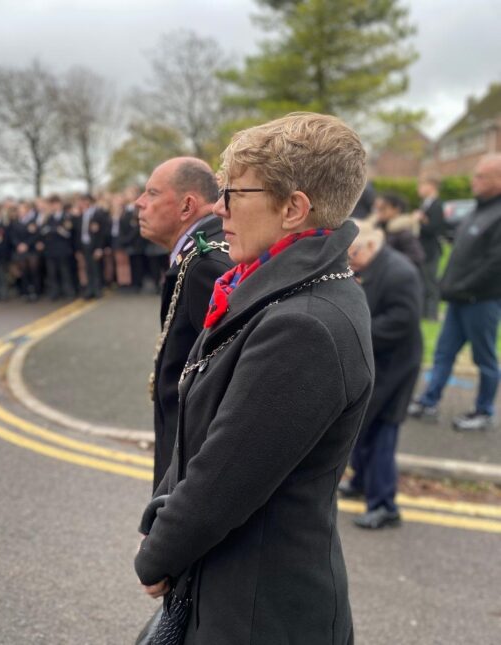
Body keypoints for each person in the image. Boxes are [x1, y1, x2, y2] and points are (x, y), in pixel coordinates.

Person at [135, 113, 373, 645]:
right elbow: (200, 429)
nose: (218, 208)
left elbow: (224, 477)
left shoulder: (304, 324)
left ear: (294, 208)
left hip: (261, 611)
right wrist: (163, 515)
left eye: (234, 193)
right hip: (229, 582)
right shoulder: (268, 289)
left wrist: (158, 552)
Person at [134, 157, 233, 490]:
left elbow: (220, 384)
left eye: (151, 193)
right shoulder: (195, 255)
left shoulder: (206, 264)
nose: (139, 202)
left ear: (187, 205)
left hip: (190, 465)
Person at [409, 153, 501, 431]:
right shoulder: (478, 210)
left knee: (484, 358)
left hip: (481, 302)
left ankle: (484, 411)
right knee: (443, 353)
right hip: (458, 301)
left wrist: (460, 287)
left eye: (480, 176)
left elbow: (495, 265)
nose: (473, 181)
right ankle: (429, 401)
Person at [340, 220, 422, 529]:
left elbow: (402, 321)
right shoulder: (370, 267)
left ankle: (385, 504)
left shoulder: (401, 274)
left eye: (354, 253)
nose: (350, 260)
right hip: (376, 363)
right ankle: (362, 482)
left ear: (372, 246)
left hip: (396, 368)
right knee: (362, 427)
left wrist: (356, 331)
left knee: (381, 436)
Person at [416, 177, 447, 320]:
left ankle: (432, 314)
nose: (419, 188)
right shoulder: (425, 204)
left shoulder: (437, 205)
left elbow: (434, 228)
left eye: (422, 184)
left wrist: (421, 220)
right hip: (422, 249)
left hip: (431, 250)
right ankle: (423, 312)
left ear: (432, 186)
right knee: (422, 282)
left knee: (430, 283)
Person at [373, 193, 424, 268]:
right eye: (377, 208)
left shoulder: (403, 231)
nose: (378, 212)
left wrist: (389, 261)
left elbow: (417, 257)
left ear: (396, 209)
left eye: (383, 208)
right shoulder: (379, 226)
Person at [39, 195, 75, 300]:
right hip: (50, 249)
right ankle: (55, 291)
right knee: (52, 272)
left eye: (56, 204)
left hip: (63, 249)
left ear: (60, 204)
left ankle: (68, 291)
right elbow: (43, 231)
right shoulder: (49, 217)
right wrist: (55, 230)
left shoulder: (66, 217)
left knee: (65, 271)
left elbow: (68, 233)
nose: (54, 206)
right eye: (52, 204)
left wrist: (55, 230)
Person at [75, 194, 111, 299]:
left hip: (95, 245)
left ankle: (97, 289)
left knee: (96, 268)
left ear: (88, 201)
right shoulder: (82, 215)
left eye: (82, 201)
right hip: (85, 245)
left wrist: (100, 248)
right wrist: (78, 248)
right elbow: (79, 232)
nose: (80, 204)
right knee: (88, 268)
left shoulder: (98, 214)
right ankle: (89, 290)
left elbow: (103, 233)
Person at [9, 201, 42, 301]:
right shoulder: (15, 222)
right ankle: (25, 291)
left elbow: (35, 235)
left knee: (33, 270)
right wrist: (18, 244)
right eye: (19, 210)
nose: (21, 212)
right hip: (20, 249)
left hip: (31, 250)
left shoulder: (32, 222)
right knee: (24, 271)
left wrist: (26, 244)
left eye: (23, 210)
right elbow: (13, 236)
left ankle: (36, 291)